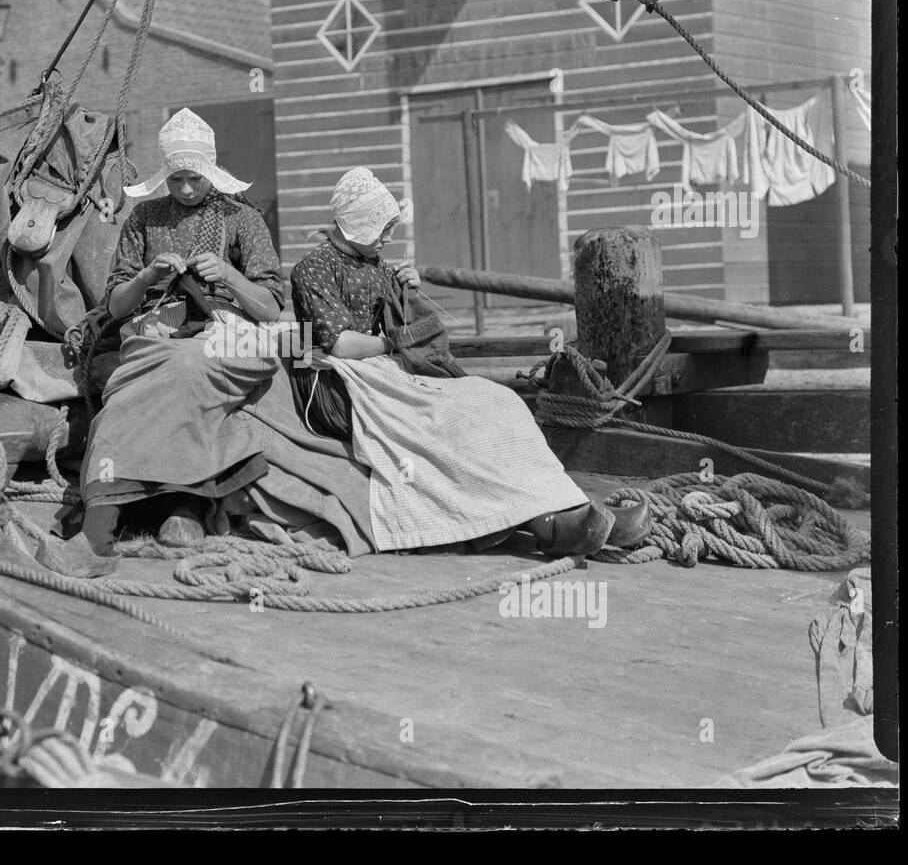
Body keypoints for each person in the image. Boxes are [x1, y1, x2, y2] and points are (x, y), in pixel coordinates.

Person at [289, 166, 649, 557]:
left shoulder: (374, 265)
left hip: (383, 370)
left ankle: (569, 504)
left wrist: (406, 293)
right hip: (337, 384)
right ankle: (549, 526)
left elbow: (397, 325)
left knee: (496, 400)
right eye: (383, 228)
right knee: (454, 418)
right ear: (358, 224)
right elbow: (340, 345)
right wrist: (397, 343)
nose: (390, 237)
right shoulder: (312, 269)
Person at [44, 108, 287, 576]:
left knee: (186, 369)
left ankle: (152, 516)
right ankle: (100, 533)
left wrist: (231, 276)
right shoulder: (144, 218)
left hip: (228, 338)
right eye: (176, 181)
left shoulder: (242, 219)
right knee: (125, 396)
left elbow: (271, 309)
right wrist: (148, 278)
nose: (187, 190)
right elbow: (116, 306)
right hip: (156, 338)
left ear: (210, 172)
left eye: (194, 179)